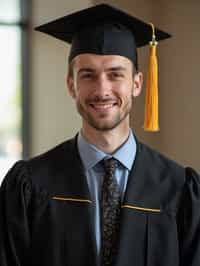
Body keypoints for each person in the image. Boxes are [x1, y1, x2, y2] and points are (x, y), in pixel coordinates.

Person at [0, 4, 200, 266]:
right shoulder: (29, 186)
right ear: (72, 85)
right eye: (88, 75)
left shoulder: (179, 189)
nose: (102, 89)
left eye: (115, 74)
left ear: (137, 83)